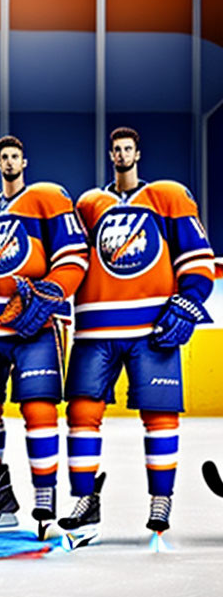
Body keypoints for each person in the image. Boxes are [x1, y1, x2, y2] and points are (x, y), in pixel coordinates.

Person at [59, 127, 215, 544]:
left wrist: (189, 299)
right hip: (94, 329)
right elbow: (71, 260)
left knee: (160, 416)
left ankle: (160, 502)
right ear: (110, 154)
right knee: (81, 415)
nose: (122, 154)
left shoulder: (168, 196)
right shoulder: (89, 205)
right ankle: (83, 500)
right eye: (116, 149)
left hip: (152, 327)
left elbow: (196, 259)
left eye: (129, 148)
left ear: (138, 153)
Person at [0, 135, 88, 538]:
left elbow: (73, 254)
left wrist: (50, 293)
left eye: (15, 156)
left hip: (35, 325)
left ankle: (45, 495)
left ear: (24, 160)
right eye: (3, 157)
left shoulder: (48, 197)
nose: (9, 161)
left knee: (40, 410)